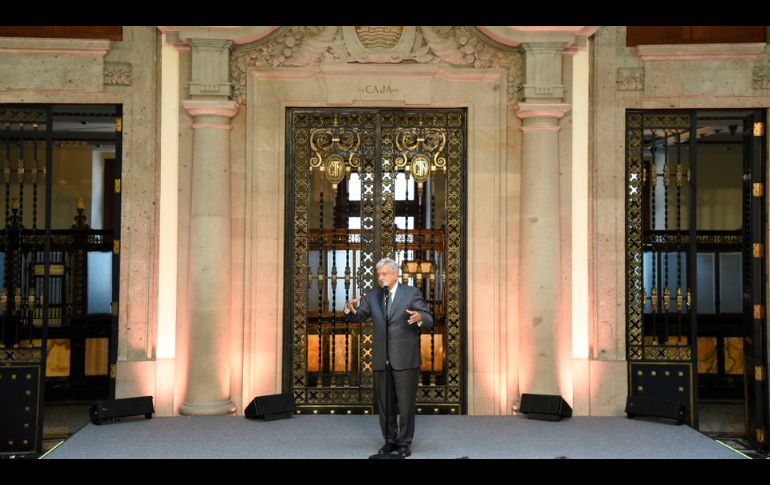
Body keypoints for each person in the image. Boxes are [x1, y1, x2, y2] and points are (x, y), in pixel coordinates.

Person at [344, 257, 433, 457]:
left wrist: (419, 317)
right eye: (378, 274)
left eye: (384, 274)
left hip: (405, 358)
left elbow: (428, 318)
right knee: (385, 405)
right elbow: (358, 316)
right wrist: (349, 308)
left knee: (406, 404)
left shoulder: (411, 293)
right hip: (381, 358)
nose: (380, 277)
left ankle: (404, 442)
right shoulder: (373, 295)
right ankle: (390, 440)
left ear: (395, 275)